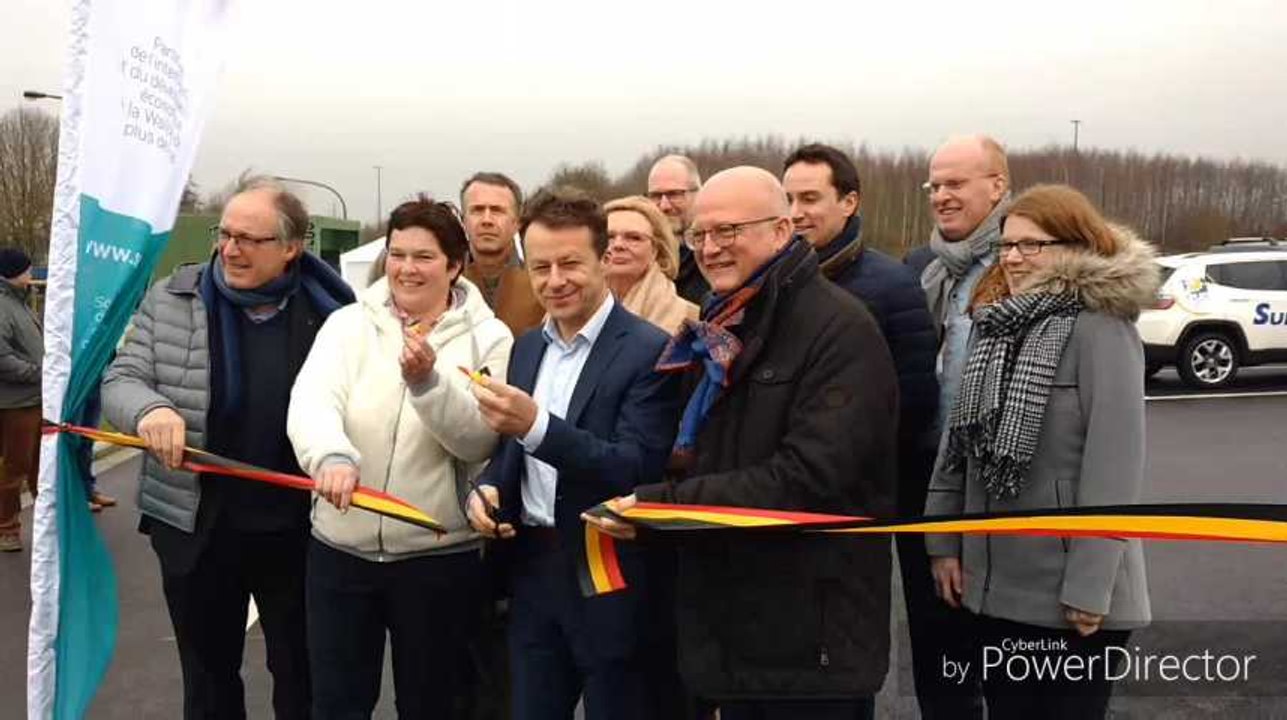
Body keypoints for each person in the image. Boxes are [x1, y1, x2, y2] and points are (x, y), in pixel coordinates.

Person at [588, 167, 898, 720]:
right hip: (724, 620)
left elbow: (808, 479)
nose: (710, 248)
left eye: (728, 231)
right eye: (700, 235)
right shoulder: (721, 323)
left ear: (781, 231)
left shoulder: (840, 330)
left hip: (807, 639)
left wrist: (664, 506)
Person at [102, 176, 354, 719]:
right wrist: (151, 410)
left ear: (291, 248)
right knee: (208, 675)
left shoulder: (336, 315)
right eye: (226, 233)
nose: (230, 248)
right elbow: (121, 377)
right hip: (196, 524)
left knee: (302, 672)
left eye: (249, 239)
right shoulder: (172, 296)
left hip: (300, 529)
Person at [925, 184, 1157, 719]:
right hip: (994, 588)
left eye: (1033, 245)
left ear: (1076, 246)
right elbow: (958, 447)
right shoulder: (996, 323)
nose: (1013, 258)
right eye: (1007, 246)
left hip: (1070, 596)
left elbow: (1115, 465)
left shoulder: (1102, 329)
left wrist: (1090, 587)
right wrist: (942, 543)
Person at [287, 196, 513, 718]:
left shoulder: (489, 338)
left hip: (438, 557)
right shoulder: (347, 325)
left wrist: (428, 385)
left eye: (424, 257)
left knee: (433, 703)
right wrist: (330, 456)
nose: (406, 269)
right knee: (338, 703)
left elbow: (479, 440)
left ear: (455, 265)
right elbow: (313, 400)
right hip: (340, 550)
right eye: (397, 254)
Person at [463, 187, 682, 720]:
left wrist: (537, 425)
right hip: (533, 571)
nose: (554, 281)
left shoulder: (650, 350)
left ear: (602, 259)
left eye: (569, 264)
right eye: (540, 267)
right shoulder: (529, 346)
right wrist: (489, 487)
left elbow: (634, 466)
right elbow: (514, 451)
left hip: (608, 571)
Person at [782, 143, 944, 716]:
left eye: (810, 198)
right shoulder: (777, 281)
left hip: (869, 497)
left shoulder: (889, 284)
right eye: (788, 198)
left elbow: (916, 400)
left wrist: (843, 461)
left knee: (878, 636)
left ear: (849, 202)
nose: (796, 212)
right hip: (798, 496)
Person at [461, 172, 545, 336]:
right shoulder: (445, 284)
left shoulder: (542, 282)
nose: (487, 220)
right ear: (464, 220)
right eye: (477, 210)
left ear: (517, 223)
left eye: (497, 211)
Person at [603, 195, 699, 334]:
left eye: (634, 238)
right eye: (609, 237)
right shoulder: (573, 312)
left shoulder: (691, 318)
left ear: (656, 250)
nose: (618, 245)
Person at [0, 247, 43, 553]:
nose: (31, 274)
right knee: (15, 467)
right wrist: (37, 373)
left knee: (40, 466)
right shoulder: (3, 307)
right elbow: (2, 358)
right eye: (27, 269)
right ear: (14, 273)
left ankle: (48, 525)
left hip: (37, 399)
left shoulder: (21, 303)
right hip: (16, 405)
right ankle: (7, 528)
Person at [647, 155, 708, 304]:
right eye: (655, 196)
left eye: (674, 194)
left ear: (700, 194)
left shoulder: (717, 254)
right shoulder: (639, 256)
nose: (664, 205)